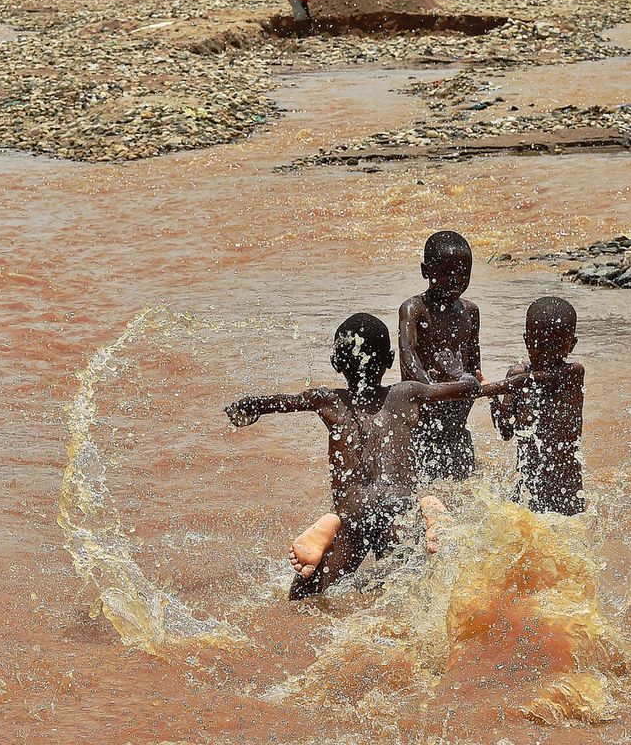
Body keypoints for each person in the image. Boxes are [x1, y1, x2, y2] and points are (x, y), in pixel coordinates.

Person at [225, 314, 526, 598]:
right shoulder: (407, 393)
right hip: (399, 507)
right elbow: (467, 390)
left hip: (353, 511)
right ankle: (427, 510)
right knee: (412, 589)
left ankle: (331, 524)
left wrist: (249, 407)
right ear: (390, 360)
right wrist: (467, 377)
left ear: (335, 363)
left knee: (302, 597)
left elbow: (280, 402)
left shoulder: (328, 400)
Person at [399, 231, 483, 481]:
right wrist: (435, 388)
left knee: (464, 484)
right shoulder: (415, 309)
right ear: (425, 271)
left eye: (463, 272)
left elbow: (475, 368)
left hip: (457, 417)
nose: (455, 280)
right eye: (446, 272)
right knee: (421, 484)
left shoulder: (470, 312)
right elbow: (408, 359)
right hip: (422, 417)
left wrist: (462, 384)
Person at [491, 297, 587, 516]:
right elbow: (505, 431)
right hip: (528, 488)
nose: (547, 354)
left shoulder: (573, 374)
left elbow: (530, 379)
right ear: (527, 341)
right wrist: (493, 399)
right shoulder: (515, 376)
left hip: (567, 491)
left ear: (572, 344)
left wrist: (488, 388)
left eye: (556, 346)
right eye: (540, 345)